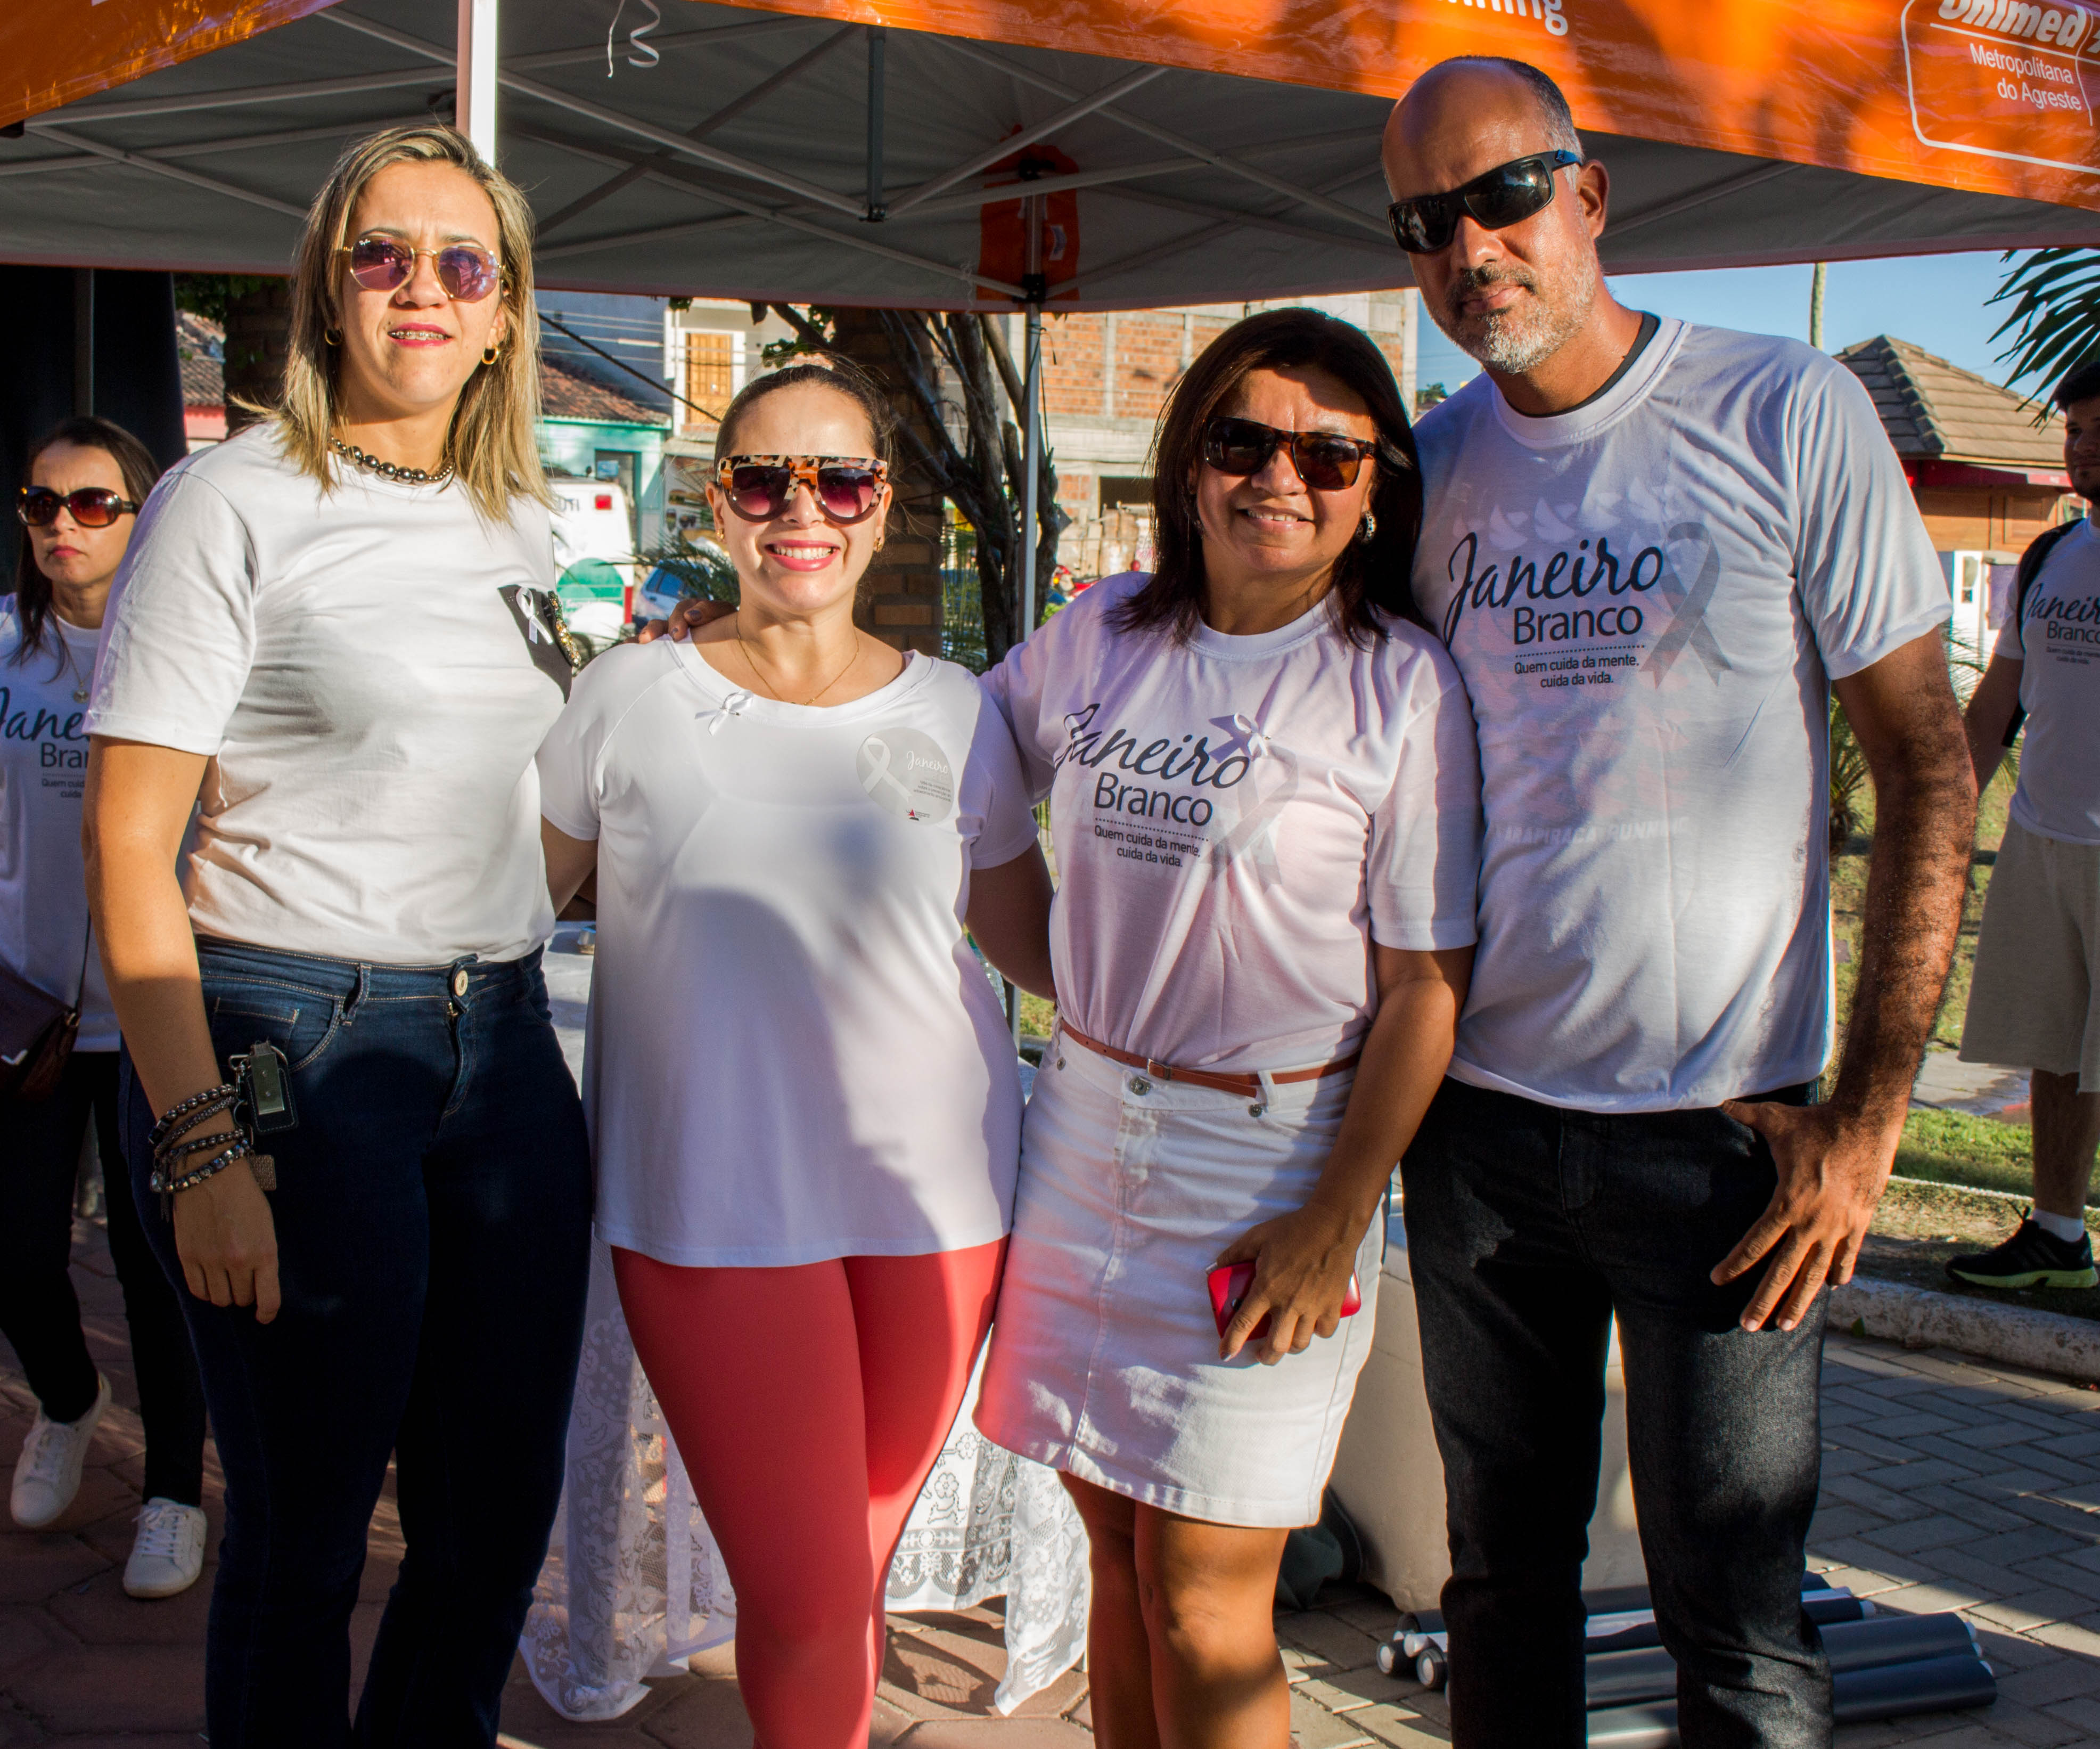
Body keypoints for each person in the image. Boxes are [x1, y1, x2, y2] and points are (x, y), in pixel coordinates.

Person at [1384, 57, 1976, 1747]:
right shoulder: (1430, 471)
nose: (1470, 248)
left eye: (1504, 196)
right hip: (1480, 1135)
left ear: (1589, 193)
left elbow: (1929, 765)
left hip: (1724, 1144)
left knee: (1741, 1627)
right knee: (1501, 1588)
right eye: (1425, 222)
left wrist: (1869, 1123)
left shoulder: (1785, 408)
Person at [81, 125, 589, 1747]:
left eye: (461, 261)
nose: (420, 286)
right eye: (384, 253)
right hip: (289, 1039)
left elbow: (504, 802)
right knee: (304, 1538)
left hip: (503, 1043)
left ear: (503, 312)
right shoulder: (229, 502)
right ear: (327, 285)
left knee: (492, 1521)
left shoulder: (519, 518)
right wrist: (200, 1138)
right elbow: (127, 844)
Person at [972, 308, 1481, 1749]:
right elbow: (954, 758)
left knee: (1206, 1595)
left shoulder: (1398, 686)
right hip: (1081, 1136)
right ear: (1189, 463)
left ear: (1376, 487)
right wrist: (1066, 977)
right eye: (1243, 440)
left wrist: (1340, 1212)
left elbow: (1424, 986)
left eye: (1329, 455)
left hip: (1270, 1171)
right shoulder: (1102, 634)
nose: (1280, 478)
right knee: (1117, 1558)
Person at [536, 358, 1056, 1748]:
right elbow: (500, 905)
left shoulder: (959, 712)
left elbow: (1035, 950)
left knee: (836, 1578)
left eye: (841, 479)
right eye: (766, 479)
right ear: (719, 505)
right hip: (709, 1207)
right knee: (817, 1588)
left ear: (883, 507)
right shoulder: (628, 697)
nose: (802, 509)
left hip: (941, 1207)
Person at [4, 415, 210, 1599]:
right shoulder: (4, 651)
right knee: (15, 1252)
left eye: (93, 503)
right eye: (42, 504)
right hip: (23, 1013)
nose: (63, 526)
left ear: (144, 516)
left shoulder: (185, 655)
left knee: (158, 1265)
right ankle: (70, 1401)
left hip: (151, 1011)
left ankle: (175, 1492)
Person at [1949, 362, 2100, 1290]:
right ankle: (2058, 1236)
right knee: (2055, 1045)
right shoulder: (2052, 557)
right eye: (2075, 429)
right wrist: (1946, 819)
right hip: (2042, 839)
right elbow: (1997, 707)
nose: (2084, 446)